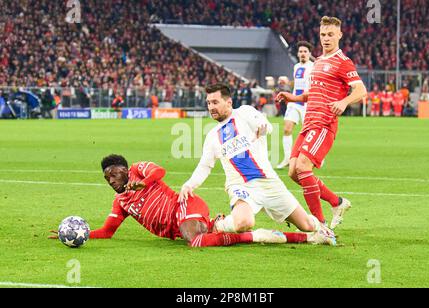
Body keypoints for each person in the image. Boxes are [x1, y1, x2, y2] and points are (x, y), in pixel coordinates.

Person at [49, 155, 334, 247]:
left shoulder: (139, 169)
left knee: (195, 240)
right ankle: (228, 227)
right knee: (200, 235)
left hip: (185, 205)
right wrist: (84, 234)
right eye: (107, 179)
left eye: (114, 174)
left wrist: (143, 182)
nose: (111, 181)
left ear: (124, 169)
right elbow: (108, 232)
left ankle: (263, 235)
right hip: (176, 228)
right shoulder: (121, 203)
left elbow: (160, 171)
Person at [178, 83, 336, 245]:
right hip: (241, 186)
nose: (211, 107)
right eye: (209, 103)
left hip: (269, 182)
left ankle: (322, 228)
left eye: (215, 102)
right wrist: (190, 184)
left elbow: (266, 126)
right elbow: (205, 165)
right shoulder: (212, 136)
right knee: (243, 223)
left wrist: (263, 128)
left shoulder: (244, 112)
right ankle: (219, 224)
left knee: (307, 225)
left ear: (229, 102)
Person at [276, 16, 367, 229]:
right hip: (309, 123)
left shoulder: (343, 62)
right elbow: (314, 92)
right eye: (323, 35)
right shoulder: (318, 62)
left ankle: (321, 226)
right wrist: (294, 98)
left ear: (339, 35)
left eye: (330, 35)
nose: (326, 39)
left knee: (303, 167)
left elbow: (361, 90)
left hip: (324, 124)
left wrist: (344, 102)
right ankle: (337, 202)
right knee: (293, 172)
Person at [277, 41, 315, 169]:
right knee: (287, 129)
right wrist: (288, 83)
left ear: (309, 53)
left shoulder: (314, 67)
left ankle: (314, 157)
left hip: (308, 103)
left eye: (305, 51)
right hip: (294, 102)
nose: (303, 54)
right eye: (301, 52)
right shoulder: (296, 67)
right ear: (298, 54)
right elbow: (298, 84)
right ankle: (288, 159)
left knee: (309, 133)